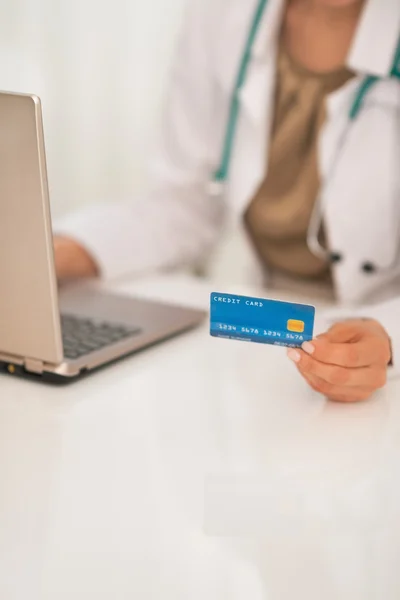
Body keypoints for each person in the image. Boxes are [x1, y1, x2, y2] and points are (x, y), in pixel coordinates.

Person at [53, 0, 399, 403]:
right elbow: (184, 205)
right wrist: (49, 256)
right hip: (273, 344)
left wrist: (388, 334)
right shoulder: (222, 14)